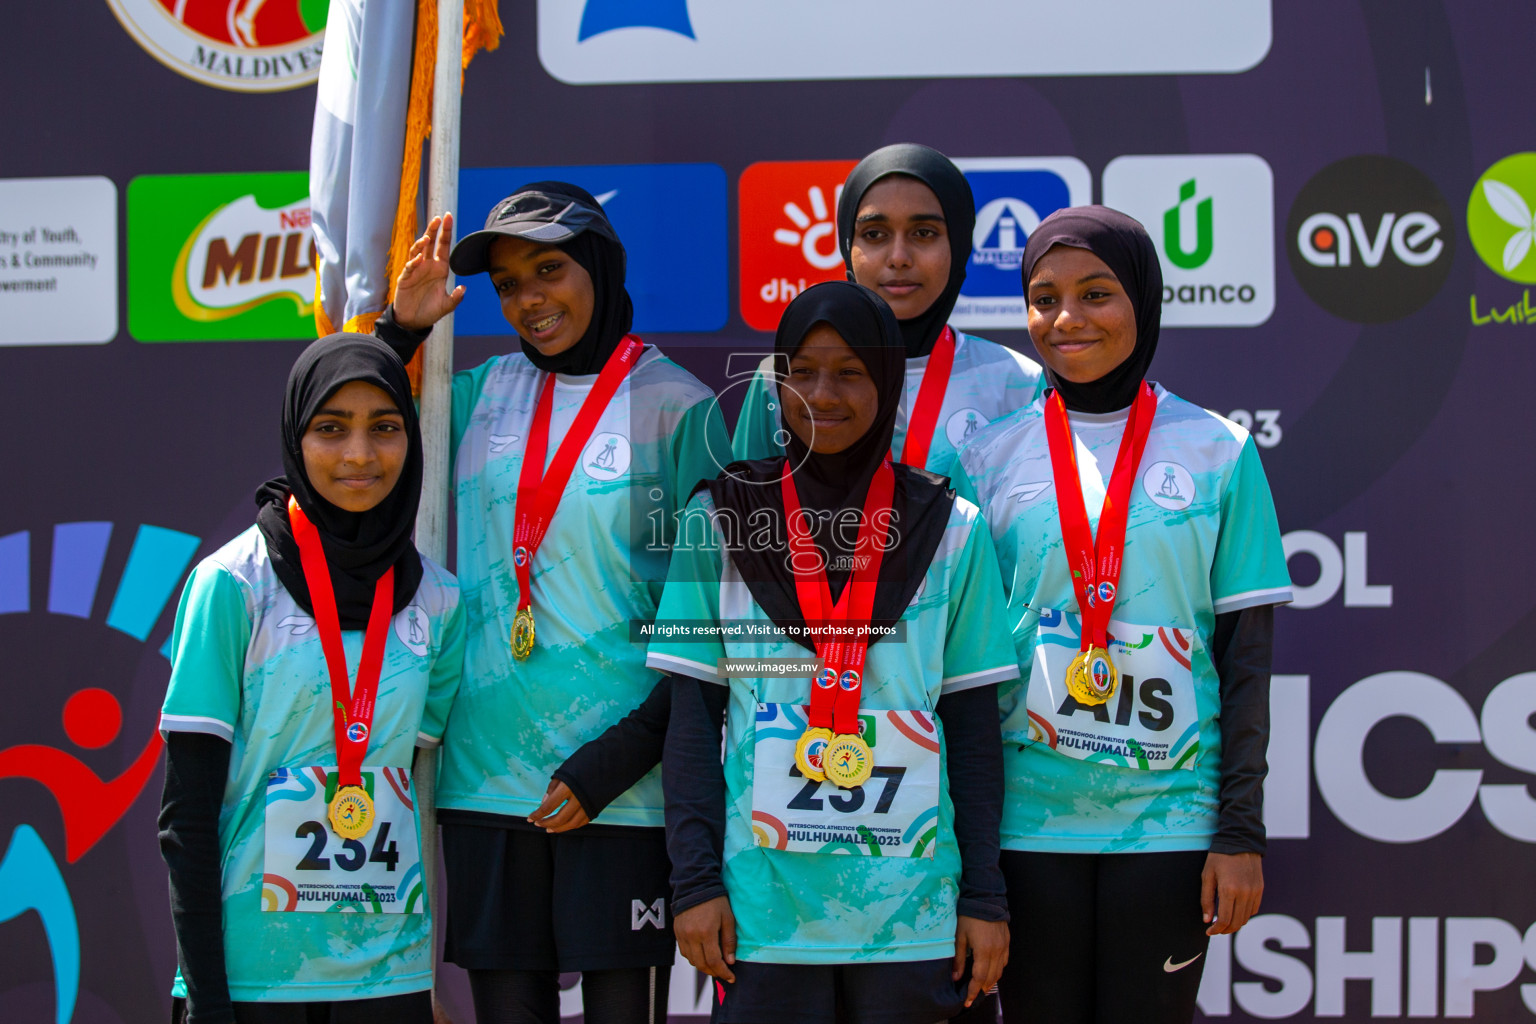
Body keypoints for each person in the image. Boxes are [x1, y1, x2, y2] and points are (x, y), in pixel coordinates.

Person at [375, 182, 731, 1023]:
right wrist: (403, 331)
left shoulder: (680, 410)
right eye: (507, 285)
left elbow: (714, 629)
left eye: (549, 270)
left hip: (625, 791)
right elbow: (357, 428)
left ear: (601, 269)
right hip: (484, 784)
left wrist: (615, 765)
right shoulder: (475, 395)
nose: (529, 301)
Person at [951, 206, 1292, 1024]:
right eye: (1044, 297)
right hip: (1026, 826)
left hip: (1170, 824)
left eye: (1096, 293)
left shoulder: (1218, 450)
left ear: (1142, 298)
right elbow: (963, 668)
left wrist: (1239, 834)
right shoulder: (987, 457)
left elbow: (1245, 660)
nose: (1066, 319)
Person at [651, 281, 1018, 1024]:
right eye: (803, 370)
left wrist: (984, 895)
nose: (822, 394)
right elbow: (692, 718)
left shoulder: (951, 528)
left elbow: (974, 733)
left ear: (886, 383)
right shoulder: (719, 518)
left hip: (916, 917)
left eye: (851, 372)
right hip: (763, 917)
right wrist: (693, 886)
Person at [158, 333, 465, 1024]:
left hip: (387, 983)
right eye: (331, 429)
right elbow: (186, 818)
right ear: (295, 441)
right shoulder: (231, 586)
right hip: (253, 984)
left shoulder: (440, 602)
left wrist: (419, 977)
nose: (359, 455)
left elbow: (409, 788)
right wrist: (208, 1001)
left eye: (384, 428)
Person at [733, 143, 1044, 478]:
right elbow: (742, 510)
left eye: (924, 233)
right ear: (847, 247)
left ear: (959, 244)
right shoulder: (781, 377)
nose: (898, 257)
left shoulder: (1017, 382)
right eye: (875, 234)